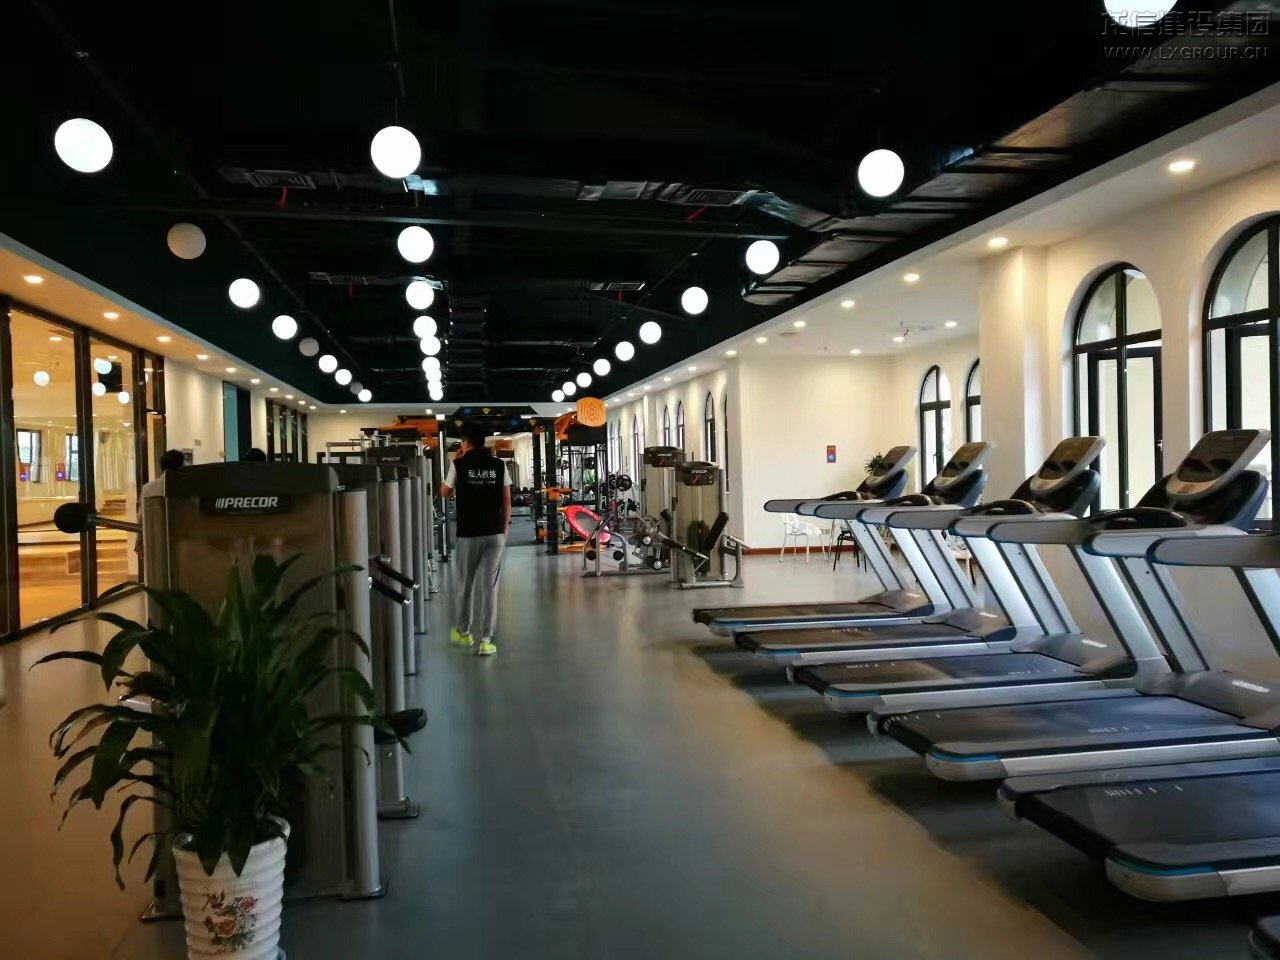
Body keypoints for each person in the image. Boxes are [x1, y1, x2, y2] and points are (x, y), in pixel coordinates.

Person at [440, 423, 510, 656]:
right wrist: (504, 530)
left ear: (465, 443)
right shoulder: (499, 465)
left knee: (466, 584)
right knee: (490, 588)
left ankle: (464, 632)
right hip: (494, 534)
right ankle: (486, 641)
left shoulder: (459, 464)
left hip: (469, 534)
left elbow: (444, 492)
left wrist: (456, 461)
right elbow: (507, 501)